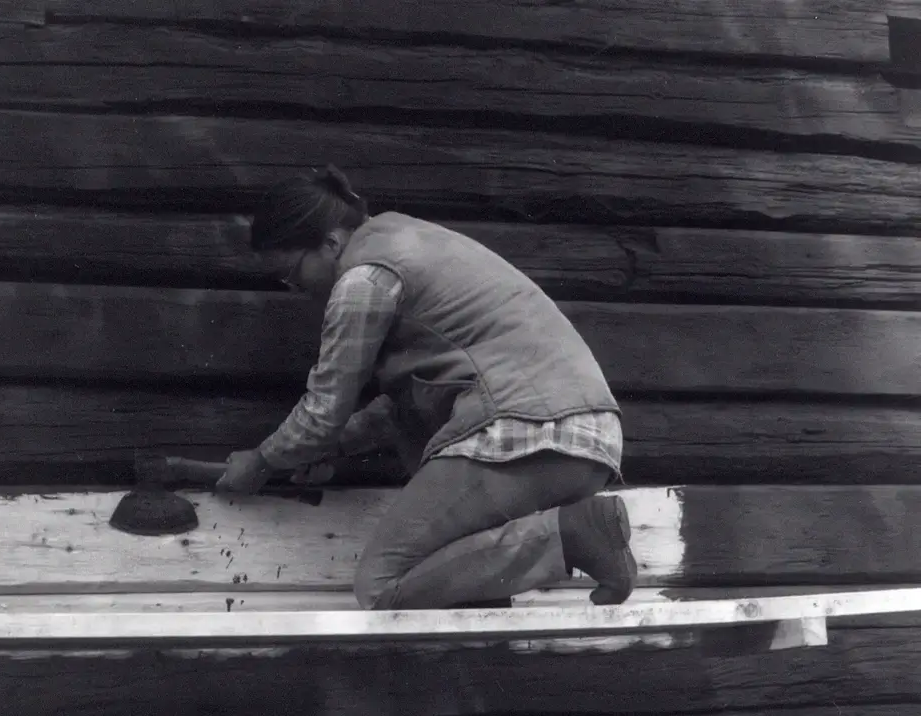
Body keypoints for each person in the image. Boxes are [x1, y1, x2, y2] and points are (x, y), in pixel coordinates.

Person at [216, 164, 637, 610]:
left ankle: (574, 535)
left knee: (381, 585)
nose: (296, 289)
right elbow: (403, 406)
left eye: (292, 273)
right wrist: (331, 447)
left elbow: (324, 410)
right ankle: (569, 538)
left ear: (331, 243)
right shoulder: (409, 243)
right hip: (584, 437)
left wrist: (262, 460)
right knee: (449, 566)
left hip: (522, 435)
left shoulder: (364, 279)